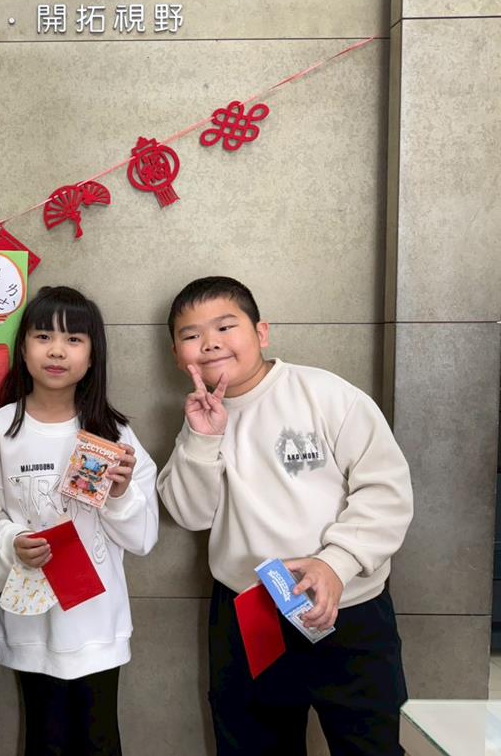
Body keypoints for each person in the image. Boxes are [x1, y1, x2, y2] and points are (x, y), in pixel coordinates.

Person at [157, 275, 413, 756]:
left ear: (261, 332)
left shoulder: (326, 394)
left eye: (225, 327)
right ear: (177, 354)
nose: (210, 343)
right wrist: (202, 438)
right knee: (254, 745)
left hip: (348, 607)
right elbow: (189, 513)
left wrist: (335, 564)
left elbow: (386, 491)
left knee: (369, 746)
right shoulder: (199, 418)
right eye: (191, 335)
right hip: (250, 610)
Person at [0, 285, 159, 756]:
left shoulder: (115, 435)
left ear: (93, 355)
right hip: (31, 622)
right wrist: (12, 542)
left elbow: (143, 538)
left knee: (100, 741)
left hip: (96, 622)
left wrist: (119, 494)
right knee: (45, 740)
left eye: (74, 339)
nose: (57, 350)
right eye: (43, 337)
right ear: (23, 349)